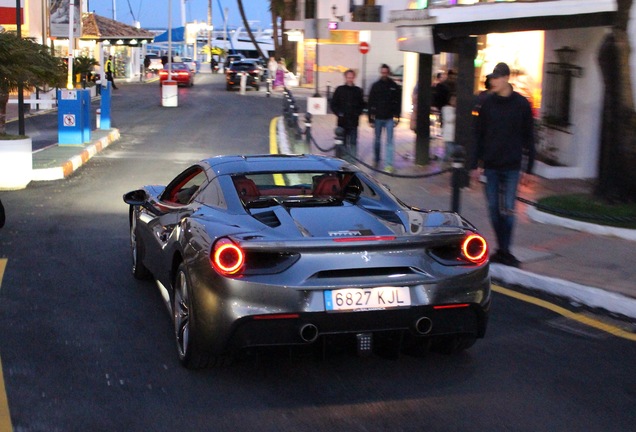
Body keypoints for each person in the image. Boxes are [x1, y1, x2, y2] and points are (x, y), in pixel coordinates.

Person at [471, 62, 536, 268]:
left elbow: (529, 137)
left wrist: (530, 168)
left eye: (497, 78)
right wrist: (475, 163)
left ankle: (505, 250)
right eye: (492, 78)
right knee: (493, 209)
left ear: (507, 78)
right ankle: (502, 248)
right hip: (491, 165)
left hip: (511, 166)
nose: (493, 81)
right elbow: (479, 134)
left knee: (508, 209)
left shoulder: (521, 104)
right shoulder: (487, 103)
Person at [367, 64, 402, 173]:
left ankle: (389, 164)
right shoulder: (375, 86)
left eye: (386, 72)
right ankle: (377, 159)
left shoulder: (394, 86)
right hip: (378, 117)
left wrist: (397, 116)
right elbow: (370, 102)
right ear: (381, 72)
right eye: (383, 72)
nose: (384, 74)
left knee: (389, 142)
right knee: (377, 140)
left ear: (388, 72)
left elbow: (398, 102)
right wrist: (370, 118)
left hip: (389, 118)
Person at [330, 69, 365, 160]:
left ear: (354, 78)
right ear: (345, 77)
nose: (350, 79)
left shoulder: (358, 90)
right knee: (343, 141)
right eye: (348, 77)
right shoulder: (340, 89)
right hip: (343, 121)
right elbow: (333, 104)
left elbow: (362, 104)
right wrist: (339, 113)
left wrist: (358, 113)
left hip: (353, 121)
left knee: (353, 142)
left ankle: (353, 160)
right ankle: (344, 159)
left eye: (351, 77)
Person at [441, 94, 457, 162]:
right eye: (453, 99)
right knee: (450, 150)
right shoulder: (446, 108)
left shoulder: (455, 109)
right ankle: (445, 162)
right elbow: (448, 118)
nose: (454, 101)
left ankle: (445, 162)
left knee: (449, 150)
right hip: (449, 134)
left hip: (454, 134)